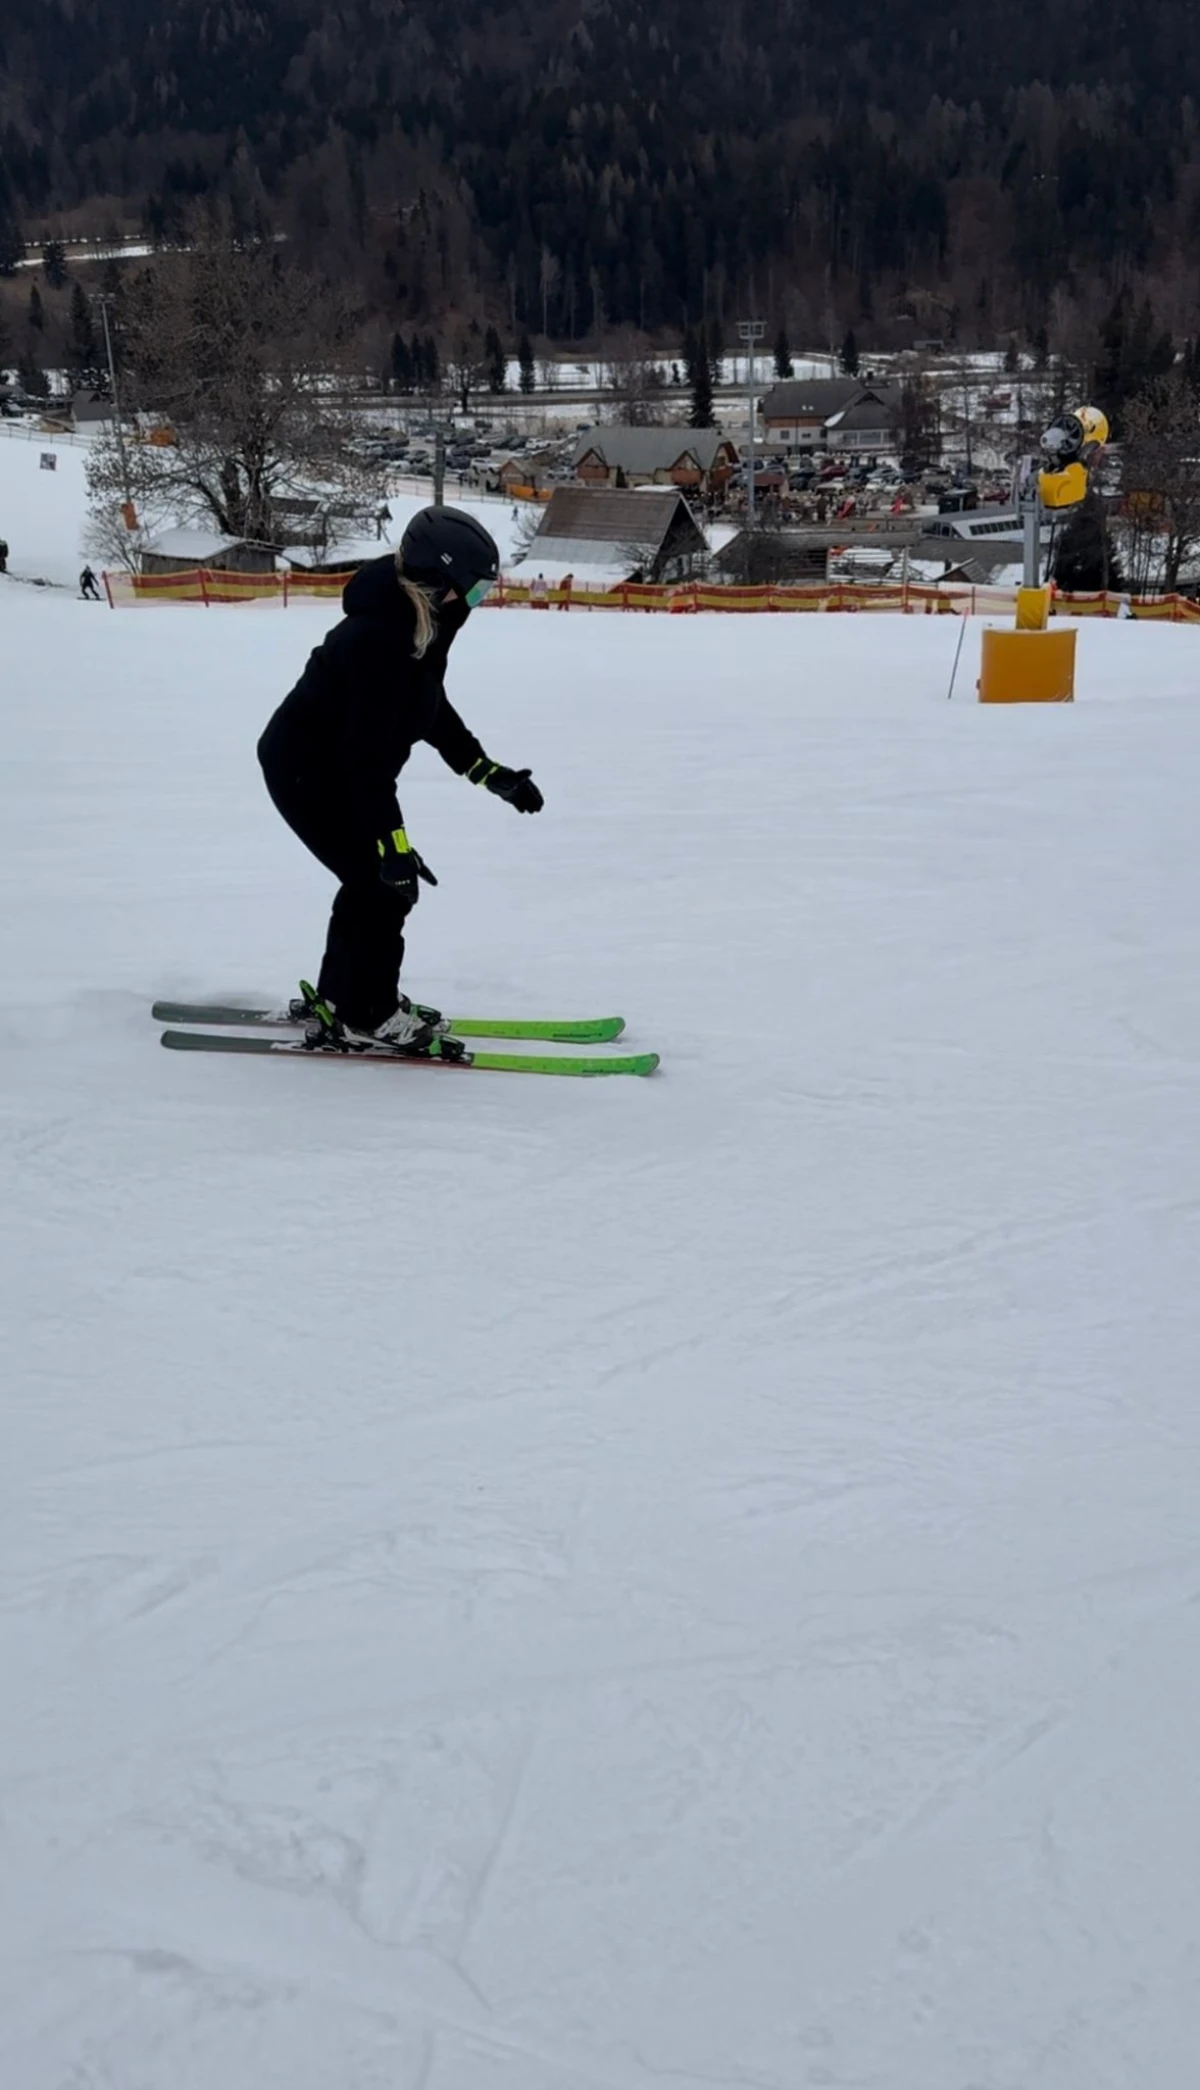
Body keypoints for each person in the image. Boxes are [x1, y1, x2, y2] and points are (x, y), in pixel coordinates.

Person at [257, 507, 542, 1048]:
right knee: (382, 886)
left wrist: (487, 772)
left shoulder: (422, 623)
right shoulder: (377, 640)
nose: (478, 604)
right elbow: (364, 762)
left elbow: (427, 707)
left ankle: (344, 997)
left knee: (375, 883)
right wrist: (394, 847)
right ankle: (369, 1011)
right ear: (439, 583)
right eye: (476, 591)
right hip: (306, 768)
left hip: (340, 766)